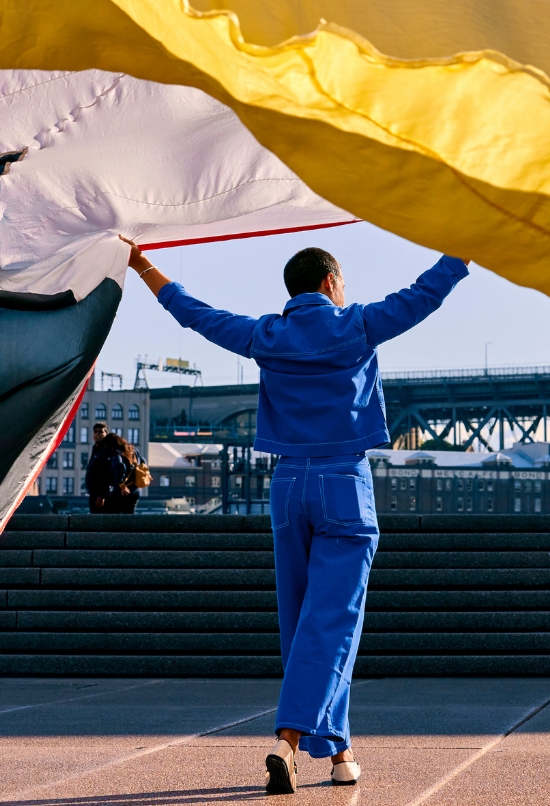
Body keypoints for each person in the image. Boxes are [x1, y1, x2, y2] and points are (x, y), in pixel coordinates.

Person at [121, 237, 468, 793]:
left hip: (287, 485)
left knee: (304, 621)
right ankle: (286, 738)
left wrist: (144, 266)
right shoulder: (354, 325)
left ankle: (339, 753)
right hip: (342, 484)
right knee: (334, 621)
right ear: (331, 283)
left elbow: (195, 315)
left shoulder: (267, 335)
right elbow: (423, 295)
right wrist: (462, 253)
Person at [86, 430, 136, 514]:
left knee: (113, 519)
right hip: (134, 491)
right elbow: (142, 462)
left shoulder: (116, 453)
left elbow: (120, 466)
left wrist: (120, 483)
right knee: (128, 521)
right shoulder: (131, 450)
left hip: (122, 491)